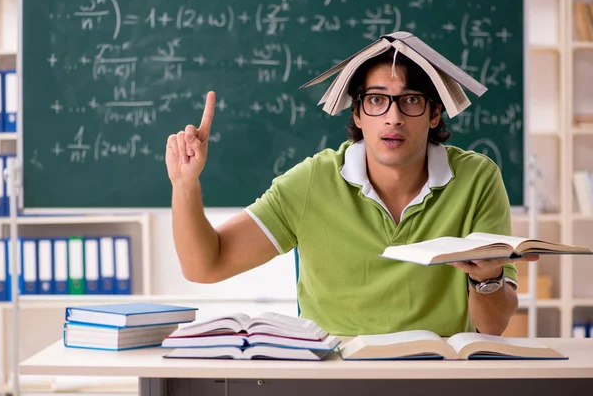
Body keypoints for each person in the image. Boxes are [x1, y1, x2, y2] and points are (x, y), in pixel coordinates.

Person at [165, 41, 535, 337]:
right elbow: (204, 266)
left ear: (434, 113)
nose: (393, 117)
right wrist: (185, 184)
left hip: (436, 375)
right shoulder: (313, 180)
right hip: (334, 375)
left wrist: (487, 278)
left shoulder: (476, 179)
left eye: (410, 100)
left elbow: (493, 325)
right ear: (357, 113)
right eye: (376, 100)